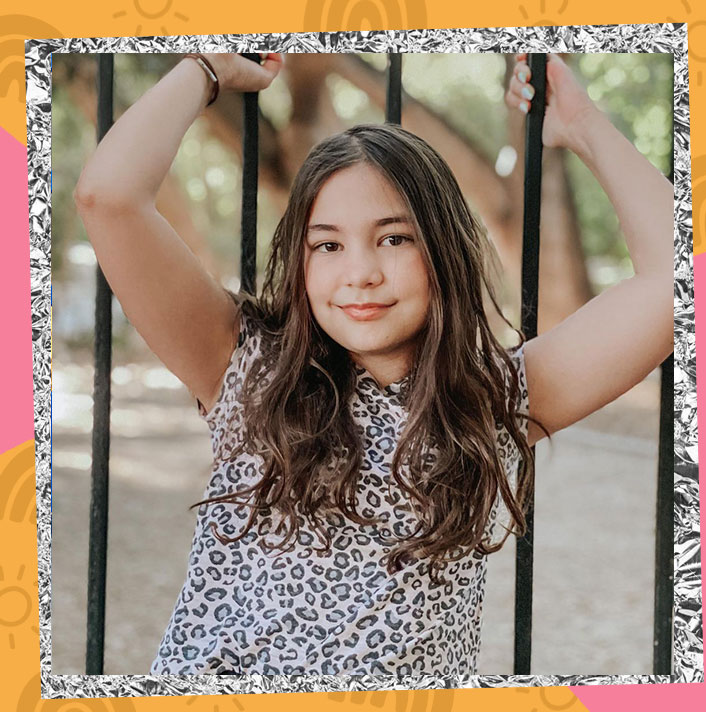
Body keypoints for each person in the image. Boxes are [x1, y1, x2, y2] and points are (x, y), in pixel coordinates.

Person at [73, 52, 673, 676]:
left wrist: (580, 124)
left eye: (393, 238)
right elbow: (108, 196)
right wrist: (207, 68)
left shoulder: (495, 398)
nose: (359, 272)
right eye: (328, 245)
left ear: (440, 250)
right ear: (302, 265)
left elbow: (681, 282)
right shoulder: (245, 365)